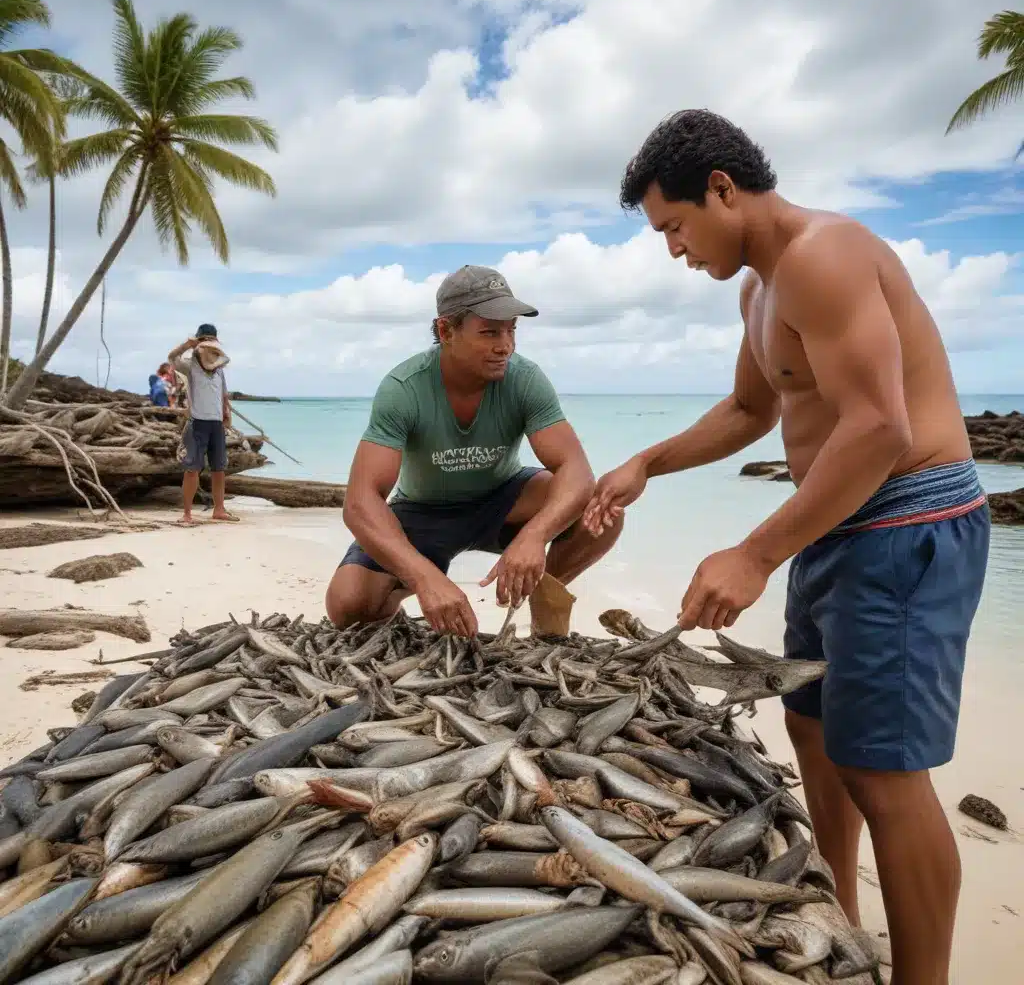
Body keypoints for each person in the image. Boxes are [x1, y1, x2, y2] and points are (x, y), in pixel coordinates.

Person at [583, 110, 989, 985]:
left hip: (906, 524)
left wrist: (754, 554)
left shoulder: (823, 256)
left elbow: (880, 426)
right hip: (833, 523)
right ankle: (841, 922)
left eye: (675, 226)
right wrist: (645, 462)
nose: (673, 249)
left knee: (885, 769)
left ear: (723, 190)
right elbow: (751, 411)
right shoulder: (759, 287)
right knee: (811, 727)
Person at [326, 264, 622, 637]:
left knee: (601, 508)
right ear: (445, 330)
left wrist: (534, 537)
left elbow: (575, 468)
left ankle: (546, 601)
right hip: (423, 510)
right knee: (349, 605)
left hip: (505, 500)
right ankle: (406, 624)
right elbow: (360, 501)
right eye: (489, 332)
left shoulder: (525, 379)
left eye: (512, 330)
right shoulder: (404, 388)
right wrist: (424, 578)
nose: (506, 345)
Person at [168, 323, 239, 525]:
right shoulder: (190, 365)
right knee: (192, 469)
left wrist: (227, 413)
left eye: (211, 341)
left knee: (219, 469)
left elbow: (223, 394)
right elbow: (171, 359)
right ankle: (187, 514)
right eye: (204, 340)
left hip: (216, 423)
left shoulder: (219, 369)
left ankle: (219, 510)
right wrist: (185, 345)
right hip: (197, 422)